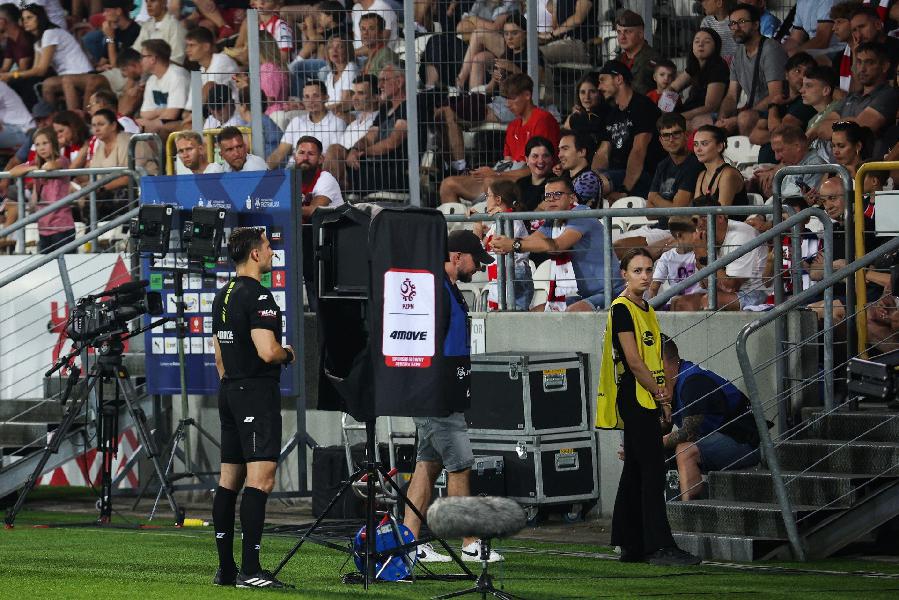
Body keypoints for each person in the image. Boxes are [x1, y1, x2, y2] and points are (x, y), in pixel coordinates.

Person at [596, 247, 701, 566]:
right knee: (652, 471)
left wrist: (662, 398)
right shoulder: (622, 309)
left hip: (648, 394)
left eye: (648, 270)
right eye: (637, 270)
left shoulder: (646, 309)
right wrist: (660, 394)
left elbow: (654, 361)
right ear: (624, 274)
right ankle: (659, 545)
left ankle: (631, 543)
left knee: (636, 470)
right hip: (635, 394)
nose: (644, 276)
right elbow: (634, 361)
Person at [403, 229, 503, 565]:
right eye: (476, 260)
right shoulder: (434, 289)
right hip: (437, 395)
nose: (479, 268)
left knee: (427, 466)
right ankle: (470, 543)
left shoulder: (444, 287)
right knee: (460, 464)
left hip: (440, 392)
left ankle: (409, 541)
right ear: (457, 257)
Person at [211, 227, 295, 589]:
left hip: (229, 391)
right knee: (260, 480)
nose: (273, 252)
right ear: (255, 254)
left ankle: (226, 570)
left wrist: (235, 383)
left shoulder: (222, 295)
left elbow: (219, 358)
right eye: (268, 247)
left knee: (228, 482)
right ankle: (250, 570)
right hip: (255, 394)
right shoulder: (259, 296)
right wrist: (287, 354)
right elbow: (267, 351)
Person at [492, 176, 622, 312]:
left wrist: (514, 245)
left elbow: (557, 246)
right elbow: (530, 241)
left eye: (558, 194)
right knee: (534, 314)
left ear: (572, 198)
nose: (552, 199)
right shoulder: (553, 221)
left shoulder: (581, 214)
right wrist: (504, 239)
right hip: (584, 295)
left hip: (610, 293)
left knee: (570, 313)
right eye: (548, 196)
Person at [660, 334, 760, 501]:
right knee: (654, 451)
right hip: (715, 439)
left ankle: (690, 512)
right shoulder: (667, 384)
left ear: (663, 363)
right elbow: (664, 428)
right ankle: (661, 510)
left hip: (747, 442)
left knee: (684, 450)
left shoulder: (693, 382)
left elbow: (688, 433)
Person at [438, 72, 560, 204]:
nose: (507, 104)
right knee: (448, 184)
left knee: (491, 182)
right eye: (506, 98)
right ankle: (466, 218)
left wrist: (495, 174)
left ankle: (488, 216)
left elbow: (539, 167)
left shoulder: (542, 119)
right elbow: (508, 163)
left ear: (527, 95)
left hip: (533, 179)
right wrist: (489, 172)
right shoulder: (513, 125)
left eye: (512, 98)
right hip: (509, 174)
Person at [670, 198, 769, 311]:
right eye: (695, 220)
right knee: (677, 302)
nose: (699, 224)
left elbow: (730, 287)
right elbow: (705, 285)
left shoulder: (741, 235)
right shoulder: (707, 238)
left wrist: (704, 255)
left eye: (703, 218)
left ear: (720, 217)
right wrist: (699, 255)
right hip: (731, 292)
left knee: (701, 302)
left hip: (755, 293)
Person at [593, 60, 665, 200]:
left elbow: (639, 150)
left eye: (603, 80)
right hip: (615, 176)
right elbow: (602, 153)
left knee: (588, 185)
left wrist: (624, 190)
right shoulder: (612, 114)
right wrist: (593, 177)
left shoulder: (643, 106)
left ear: (619, 79)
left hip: (643, 177)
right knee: (585, 183)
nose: (599, 87)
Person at [0, 4, 94, 111]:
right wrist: (12, 75)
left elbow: (41, 70)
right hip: (65, 76)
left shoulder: (50, 33)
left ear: (40, 17)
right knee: (34, 83)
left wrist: (12, 75)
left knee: (46, 84)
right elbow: (35, 69)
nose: (25, 21)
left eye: (29, 17)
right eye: (23, 19)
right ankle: (48, 115)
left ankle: (55, 115)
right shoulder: (38, 41)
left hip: (81, 73)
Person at [716, 3, 787, 137]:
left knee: (745, 119)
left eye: (742, 22)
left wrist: (737, 119)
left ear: (756, 25)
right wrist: (722, 119)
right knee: (703, 121)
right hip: (752, 110)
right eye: (732, 23)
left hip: (775, 110)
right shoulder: (739, 53)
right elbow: (731, 95)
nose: (736, 28)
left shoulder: (771, 49)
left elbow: (776, 95)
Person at [8, 127, 75, 253]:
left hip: (62, 226)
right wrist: (33, 168)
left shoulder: (62, 160)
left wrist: (35, 168)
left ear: (53, 143)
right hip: (43, 227)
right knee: (46, 263)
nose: (41, 148)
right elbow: (13, 171)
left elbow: (50, 166)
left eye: (45, 143)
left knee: (66, 262)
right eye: (37, 145)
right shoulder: (35, 164)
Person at [476, 179, 533, 311]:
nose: (486, 200)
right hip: (498, 275)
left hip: (514, 274)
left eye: (488, 196)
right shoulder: (497, 223)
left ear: (498, 200)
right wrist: (477, 224)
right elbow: (481, 249)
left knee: (514, 318)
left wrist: (480, 227)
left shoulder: (513, 221)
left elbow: (498, 245)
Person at [267, 79, 346, 168]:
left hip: (319, 171)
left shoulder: (337, 123)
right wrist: (264, 170)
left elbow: (334, 156)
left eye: (315, 96)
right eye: (307, 97)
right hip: (293, 170)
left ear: (326, 97)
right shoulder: (296, 121)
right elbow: (280, 153)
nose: (311, 101)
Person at [668, 28, 729, 129]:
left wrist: (678, 117)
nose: (700, 44)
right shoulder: (694, 66)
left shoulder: (718, 68)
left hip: (706, 117)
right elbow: (672, 88)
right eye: (696, 41)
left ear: (716, 46)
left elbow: (710, 107)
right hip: (688, 112)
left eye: (707, 42)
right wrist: (665, 109)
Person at [137, 39, 190, 137]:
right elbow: (144, 113)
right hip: (163, 121)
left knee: (150, 129)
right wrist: (160, 111)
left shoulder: (177, 76)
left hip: (184, 122)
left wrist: (152, 123)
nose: (140, 61)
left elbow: (172, 114)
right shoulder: (151, 80)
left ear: (153, 59)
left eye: (142, 57)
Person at [693, 125, 750, 213]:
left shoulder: (728, 174)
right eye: (696, 144)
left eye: (704, 144)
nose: (698, 149)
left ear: (719, 147)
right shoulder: (702, 175)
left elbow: (721, 216)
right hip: (708, 221)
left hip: (730, 222)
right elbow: (696, 212)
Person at [648, 217, 703, 304]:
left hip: (699, 301)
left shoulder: (701, 252)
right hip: (677, 304)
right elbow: (653, 288)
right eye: (693, 232)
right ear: (679, 235)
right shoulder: (666, 257)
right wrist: (651, 308)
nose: (697, 234)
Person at [613, 10, 661, 96]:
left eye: (627, 32)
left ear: (640, 34)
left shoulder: (652, 60)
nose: (622, 37)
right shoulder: (617, 61)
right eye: (619, 32)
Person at [296, 135, 344, 221]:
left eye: (311, 154)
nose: (305, 158)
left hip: (331, 228)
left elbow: (315, 210)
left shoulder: (326, 179)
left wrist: (284, 209)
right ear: (295, 157)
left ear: (321, 159)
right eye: (301, 153)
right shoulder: (290, 180)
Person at [0, 3, 39, 108]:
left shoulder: (24, 38)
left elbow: (22, 70)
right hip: (19, 76)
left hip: (32, 79)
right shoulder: (10, 39)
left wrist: (8, 76)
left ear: (2, 22)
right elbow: (5, 68)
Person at [555, 129, 603, 208]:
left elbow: (564, 208)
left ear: (582, 152)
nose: (559, 155)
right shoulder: (567, 178)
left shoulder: (589, 178)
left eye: (565, 149)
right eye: (559, 150)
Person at [132, 0, 187, 65]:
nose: (148, 5)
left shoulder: (176, 27)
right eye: (146, 1)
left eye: (153, 1)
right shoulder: (147, 25)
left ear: (164, 3)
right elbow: (136, 51)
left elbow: (176, 60)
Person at [563, 72, 607, 149]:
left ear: (600, 93)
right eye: (582, 92)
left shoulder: (608, 115)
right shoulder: (576, 116)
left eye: (592, 91)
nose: (587, 97)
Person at [319, 35, 357, 117]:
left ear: (347, 50)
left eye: (340, 47)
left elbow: (346, 103)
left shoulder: (350, 68)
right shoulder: (330, 76)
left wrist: (320, 108)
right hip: (327, 115)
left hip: (342, 116)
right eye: (331, 47)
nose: (334, 50)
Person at [515, 135, 555, 212]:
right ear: (527, 160)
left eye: (545, 156)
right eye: (535, 156)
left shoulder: (556, 185)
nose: (540, 161)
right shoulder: (520, 184)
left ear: (552, 159)